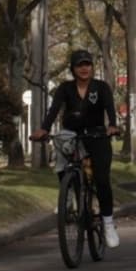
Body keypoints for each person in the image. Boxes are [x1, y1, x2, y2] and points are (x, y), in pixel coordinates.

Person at [31, 49, 123, 246]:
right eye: (79, 65)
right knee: (62, 157)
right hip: (71, 134)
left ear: (92, 67)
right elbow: (54, 109)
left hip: (97, 135)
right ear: (73, 69)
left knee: (101, 179)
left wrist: (112, 126)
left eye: (87, 64)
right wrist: (44, 129)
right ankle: (68, 192)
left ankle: (107, 223)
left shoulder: (101, 87)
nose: (84, 68)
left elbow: (109, 107)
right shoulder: (65, 88)